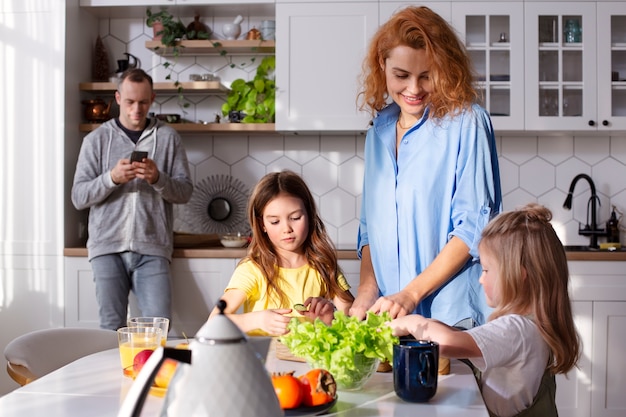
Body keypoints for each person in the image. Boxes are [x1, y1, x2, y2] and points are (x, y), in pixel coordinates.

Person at [350, 5, 502, 327]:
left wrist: (410, 295)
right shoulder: (378, 132)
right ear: (383, 65)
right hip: (392, 317)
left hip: (451, 318)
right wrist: (367, 288)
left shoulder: (467, 122)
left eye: (427, 75)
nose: (414, 89)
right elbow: (369, 229)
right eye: (402, 76)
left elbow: (473, 228)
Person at [390, 203, 581, 417]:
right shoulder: (532, 325)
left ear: (517, 274)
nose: (481, 279)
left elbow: (447, 343)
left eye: (486, 270)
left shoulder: (515, 329)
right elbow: (458, 336)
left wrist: (410, 321)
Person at [71, 68, 193, 330]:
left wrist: (157, 178)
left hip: (153, 249)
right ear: (117, 98)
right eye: (129, 102)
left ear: (152, 98)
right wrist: (111, 178)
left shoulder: (169, 138)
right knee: (109, 329)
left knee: (159, 329)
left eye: (143, 102)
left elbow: (184, 192)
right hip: (106, 248)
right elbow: (79, 197)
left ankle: (152, 373)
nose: (136, 109)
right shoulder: (96, 139)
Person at [210, 170, 354, 335]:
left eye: (295, 218)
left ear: (309, 215)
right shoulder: (253, 269)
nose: (287, 229)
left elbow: (354, 316)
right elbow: (214, 320)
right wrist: (257, 320)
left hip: (306, 360)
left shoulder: (324, 265)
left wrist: (330, 318)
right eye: (275, 221)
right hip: (263, 358)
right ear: (262, 224)